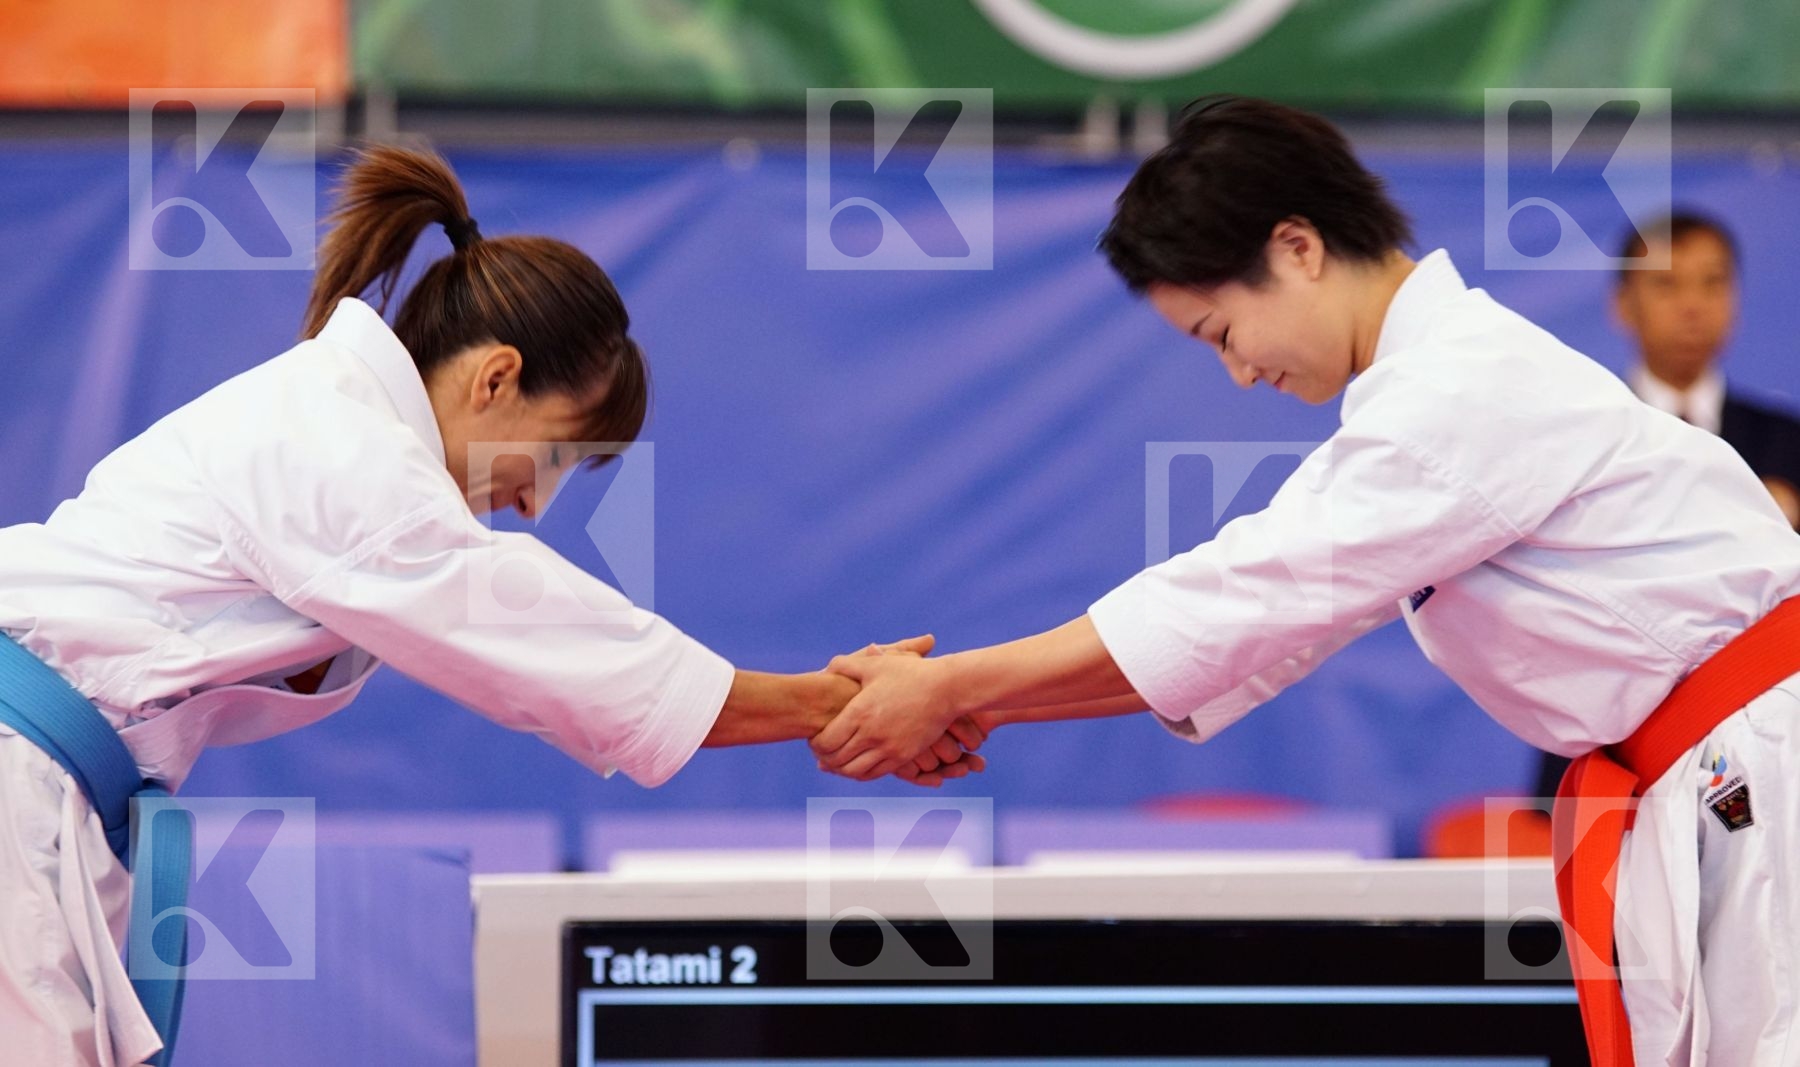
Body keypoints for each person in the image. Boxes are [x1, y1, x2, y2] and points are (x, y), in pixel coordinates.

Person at [811, 96, 1800, 1066]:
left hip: (1756, 765)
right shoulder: (1423, 396)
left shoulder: (1455, 389)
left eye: (1220, 332)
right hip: (1718, 774)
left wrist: (955, 687)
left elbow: (1238, 594)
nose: (1237, 373)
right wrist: (978, 704)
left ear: (1296, 248)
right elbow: (1245, 640)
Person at [0, 145, 981, 1067]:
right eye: (552, 455)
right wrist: (833, 700)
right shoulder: (345, 453)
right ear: (497, 375)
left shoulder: (342, 433)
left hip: (53, 789)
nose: (534, 504)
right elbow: (554, 639)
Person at [1614, 210, 1800, 527]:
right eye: (1666, 284)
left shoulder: (1787, 442)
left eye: (1712, 282)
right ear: (1623, 304)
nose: (1692, 306)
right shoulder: (1601, 435)